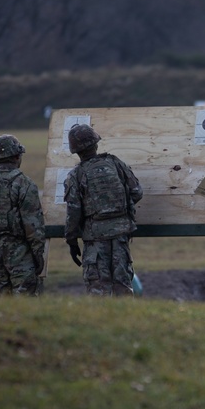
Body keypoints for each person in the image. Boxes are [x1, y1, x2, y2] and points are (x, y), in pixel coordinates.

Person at [63, 123, 143, 296]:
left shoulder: (75, 175)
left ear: (75, 150)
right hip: (121, 235)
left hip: (94, 239)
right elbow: (137, 192)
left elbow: (73, 212)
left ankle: (101, 320)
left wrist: (71, 240)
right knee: (123, 285)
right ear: (96, 144)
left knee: (98, 288)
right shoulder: (115, 163)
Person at [0, 134, 46, 295]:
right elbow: (33, 225)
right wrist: (38, 255)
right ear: (17, 156)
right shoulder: (23, 183)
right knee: (26, 299)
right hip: (20, 250)